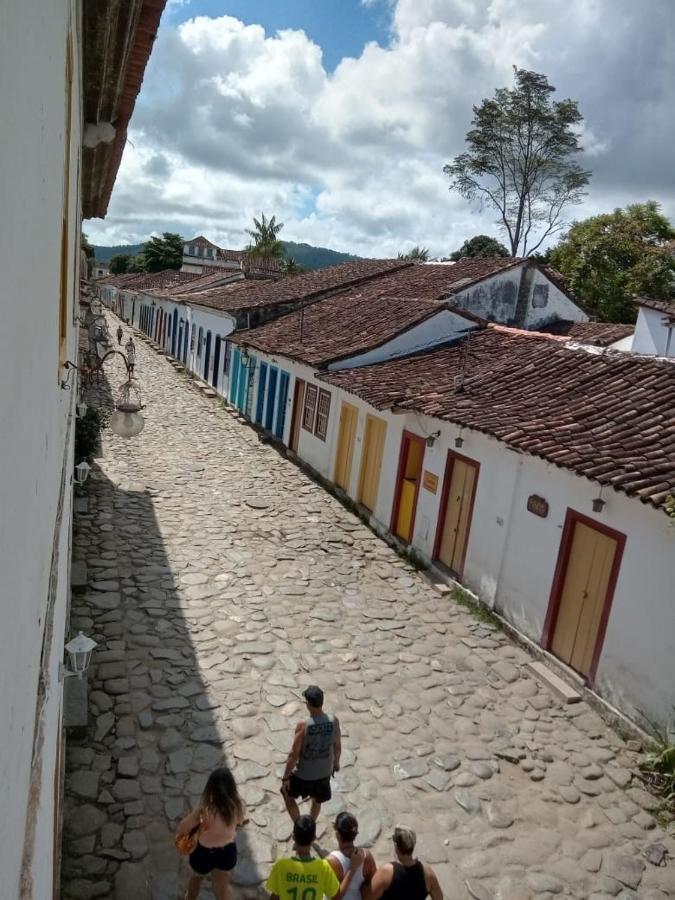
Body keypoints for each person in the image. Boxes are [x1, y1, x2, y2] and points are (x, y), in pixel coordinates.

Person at [176, 767, 247, 900]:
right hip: (227, 853)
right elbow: (239, 821)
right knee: (222, 888)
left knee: (196, 879)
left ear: (211, 788)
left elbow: (183, 827)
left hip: (203, 854)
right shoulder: (238, 806)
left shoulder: (205, 811)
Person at [281, 685, 341, 823]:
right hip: (324, 773)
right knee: (317, 799)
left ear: (308, 704)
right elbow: (337, 745)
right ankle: (311, 824)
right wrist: (336, 763)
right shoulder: (334, 721)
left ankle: (300, 827)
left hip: (304, 775)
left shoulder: (303, 725)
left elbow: (293, 755)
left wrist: (285, 778)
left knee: (287, 794)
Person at [266, 814, 340, 900]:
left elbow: (274, 897)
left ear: (293, 837)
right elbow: (336, 895)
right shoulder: (323, 867)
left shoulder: (281, 866)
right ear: (314, 838)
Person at [362, 826, 443, 900]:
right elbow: (439, 898)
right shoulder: (428, 873)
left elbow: (367, 898)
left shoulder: (386, 872)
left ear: (396, 846)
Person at [326, 812, 376, 900]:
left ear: (338, 835)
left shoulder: (331, 861)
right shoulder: (367, 856)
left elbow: (333, 897)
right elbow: (373, 883)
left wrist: (352, 869)